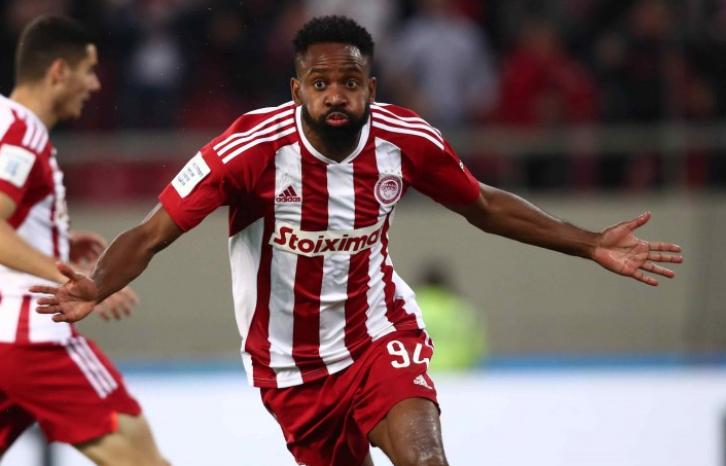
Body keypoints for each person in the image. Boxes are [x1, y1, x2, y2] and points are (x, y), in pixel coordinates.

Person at [32, 16, 683, 466]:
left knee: (426, 458)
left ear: (371, 87)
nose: (336, 97)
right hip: (290, 368)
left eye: (349, 83)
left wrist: (588, 242)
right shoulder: (249, 151)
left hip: (378, 335)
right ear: (298, 91)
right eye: (321, 85)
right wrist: (98, 284)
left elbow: (484, 206)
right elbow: (151, 232)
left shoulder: (406, 141)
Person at [0, 15, 168, 466]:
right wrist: (73, 277)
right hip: (34, 341)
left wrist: (53, 239)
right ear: (58, 71)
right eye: (88, 70)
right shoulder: (22, 132)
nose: (94, 84)